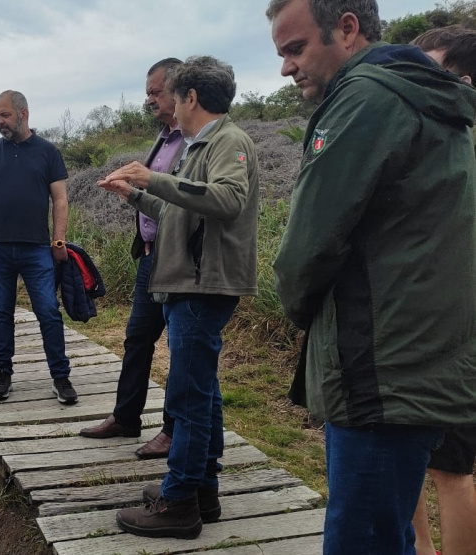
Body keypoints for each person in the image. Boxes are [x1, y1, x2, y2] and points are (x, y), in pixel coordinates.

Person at [266, 1, 476, 553]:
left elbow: (306, 248)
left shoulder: (366, 99)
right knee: (389, 531)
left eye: (295, 48)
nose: (287, 67)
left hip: (378, 369)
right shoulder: (423, 98)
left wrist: (297, 307)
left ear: (347, 28)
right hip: (419, 358)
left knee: (360, 540)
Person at [99, 55, 260, 539]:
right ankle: (203, 491)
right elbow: (180, 212)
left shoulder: (228, 140)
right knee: (202, 392)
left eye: (173, 94)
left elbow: (228, 201)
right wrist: (135, 196)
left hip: (201, 284)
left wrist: (155, 179)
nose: (167, 102)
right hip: (184, 281)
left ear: (190, 97)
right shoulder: (199, 145)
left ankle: (180, 500)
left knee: (187, 396)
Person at [79, 58, 186, 460]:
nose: (150, 101)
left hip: (177, 259)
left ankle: (174, 431)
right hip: (149, 256)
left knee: (181, 345)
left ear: (180, 91)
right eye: (148, 94)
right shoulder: (163, 137)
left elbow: (185, 197)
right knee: (138, 338)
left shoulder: (195, 141)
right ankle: (127, 417)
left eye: (156, 93)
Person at [0, 90, 78, 405]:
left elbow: (60, 199)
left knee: (48, 311)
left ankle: (61, 376)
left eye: (5, 115)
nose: (0, 121)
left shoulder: (47, 152)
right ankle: (3, 374)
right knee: (1, 313)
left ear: (23, 113)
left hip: (36, 250)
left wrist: (58, 240)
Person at [409, 25, 476, 555]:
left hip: (451, 329)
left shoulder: (455, 141)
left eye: (429, 70)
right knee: (421, 461)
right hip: (436, 324)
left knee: (452, 469)